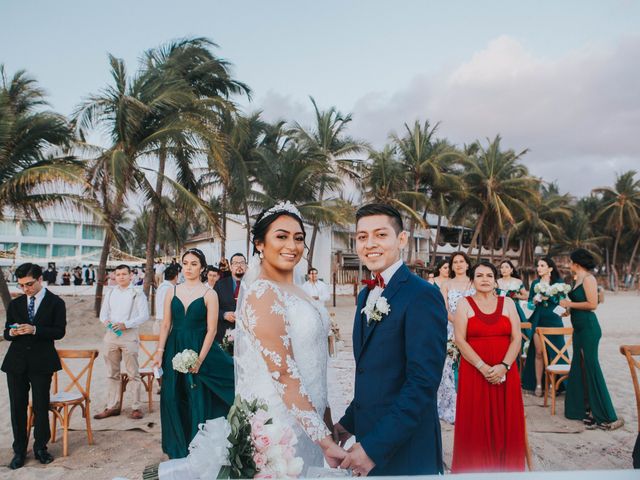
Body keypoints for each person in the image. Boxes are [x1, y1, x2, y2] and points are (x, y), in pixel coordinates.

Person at [336, 203, 448, 476]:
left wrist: (374, 448)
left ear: (401, 239)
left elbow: (422, 384)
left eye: (380, 235)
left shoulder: (422, 295)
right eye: (362, 237)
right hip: (370, 435)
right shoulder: (364, 295)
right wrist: (347, 423)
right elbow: (375, 373)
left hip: (406, 449)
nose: (370, 244)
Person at [153, 248, 234, 459]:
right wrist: (159, 352)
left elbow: (212, 330)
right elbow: (166, 325)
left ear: (202, 268)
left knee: (196, 395)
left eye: (194, 264)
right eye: (185, 263)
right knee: (171, 396)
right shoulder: (172, 291)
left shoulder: (209, 294)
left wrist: (199, 359)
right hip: (174, 346)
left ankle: (198, 450)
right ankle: (177, 448)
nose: (188, 268)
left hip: (200, 347)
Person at [451, 261, 526, 472]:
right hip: (474, 372)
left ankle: (506, 470)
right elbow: (460, 340)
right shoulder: (464, 304)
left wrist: (504, 366)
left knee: (507, 421)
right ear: (472, 280)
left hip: (506, 372)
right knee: (475, 423)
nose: (485, 279)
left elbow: (517, 338)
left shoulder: (508, 303)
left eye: (489, 276)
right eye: (480, 275)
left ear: (495, 281)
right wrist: (483, 367)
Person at [2, 263, 66, 469]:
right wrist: (12, 333)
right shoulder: (16, 304)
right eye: (21, 285)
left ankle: (40, 448)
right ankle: (19, 450)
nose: (25, 289)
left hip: (42, 361)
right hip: (16, 362)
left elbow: (59, 332)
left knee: (41, 405)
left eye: (29, 284)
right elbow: (5, 332)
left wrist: (35, 329)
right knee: (17, 408)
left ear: (40, 280)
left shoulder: (56, 303)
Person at [559, 249, 623, 430]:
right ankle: (583, 409)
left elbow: (592, 304)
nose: (569, 264)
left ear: (576, 263)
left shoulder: (589, 279)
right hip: (578, 328)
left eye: (570, 261)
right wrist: (567, 310)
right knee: (579, 366)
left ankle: (604, 413)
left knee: (591, 366)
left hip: (589, 328)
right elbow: (579, 304)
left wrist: (569, 304)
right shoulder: (575, 280)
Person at [94, 264, 149, 420]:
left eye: (124, 274)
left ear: (131, 275)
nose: (121, 277)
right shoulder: (111, 293)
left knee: (133, 373)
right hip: (111, 335)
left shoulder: (137, 293)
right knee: (112, 373)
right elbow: (103, 314)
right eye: (118, 274)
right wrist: (108, 323)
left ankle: (136, 407)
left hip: (129, 334)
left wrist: (126, 324)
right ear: (115, 276)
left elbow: (144, 316)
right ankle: (112, 406)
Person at [521, 256, 567, 396]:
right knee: (539, 352)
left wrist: (554, 300)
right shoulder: (535, 283)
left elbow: (563, 303)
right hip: (538, 319)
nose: (538, 268)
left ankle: (554, 385)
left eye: (542, 265)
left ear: (550, 268)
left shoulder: (559, 283)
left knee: (556, 352)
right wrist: (534, 301)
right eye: (538, 265)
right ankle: (539, 384)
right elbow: (529, 305)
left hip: (554, 320)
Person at [438, 252, 475, 424]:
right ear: (451, 266)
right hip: (451, 329)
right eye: (455, 262)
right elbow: (443, 310)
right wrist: (459, 324)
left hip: (475, 329)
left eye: (462, 261)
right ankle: (451, 407)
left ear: (468, 265)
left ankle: (472, 405)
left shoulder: (474, 282)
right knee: (449, 366)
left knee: (471, 364)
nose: (459, 264)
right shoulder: (446, 284)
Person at [213, 253, 246, 343]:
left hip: (247, 336)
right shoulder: (220, 285)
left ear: (246, 266)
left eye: (242, 263)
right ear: (231, 267)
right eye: (235, 263)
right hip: (224, 334)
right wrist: (224, 315)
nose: (239, 265)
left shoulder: (253, 285)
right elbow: (211, 308)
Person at [154, 266, 179, 332]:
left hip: (158, 320)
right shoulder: (170, 289)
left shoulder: (161, 287)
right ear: (176, 277)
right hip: (166, 322)